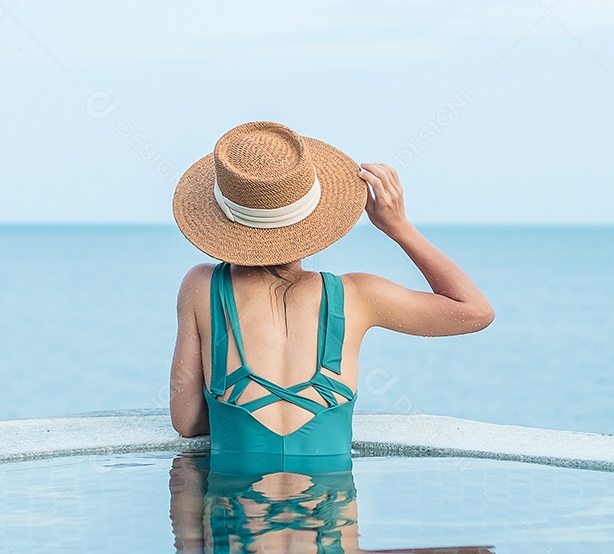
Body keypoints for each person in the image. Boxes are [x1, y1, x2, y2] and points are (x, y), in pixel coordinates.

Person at [170, 121, 494, 470]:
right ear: (314, 215)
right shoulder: (357, 295)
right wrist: (398, 227)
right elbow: (474, 311)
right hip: (328, 517)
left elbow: (187, 423)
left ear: (223, 220)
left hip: (235, 518)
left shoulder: (202, 287)